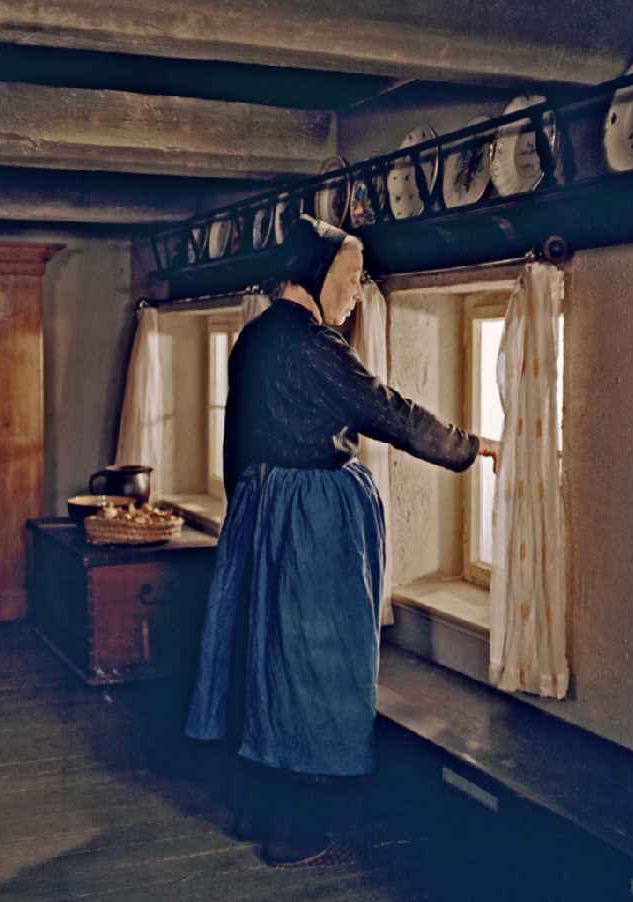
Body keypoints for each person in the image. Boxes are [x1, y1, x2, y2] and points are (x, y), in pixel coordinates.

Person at [185, 215, 500, 866]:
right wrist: (470, 446)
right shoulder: (311, 346)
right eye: (352, 279)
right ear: (316, 276)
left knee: (265, 659)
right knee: (314, 669)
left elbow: (236, 443)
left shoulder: (256, 336)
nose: (358, 292)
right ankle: (292, 829)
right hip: (308, 526)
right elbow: (386, 409)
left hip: (263, 513)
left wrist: (251, 509)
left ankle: (257, 811)